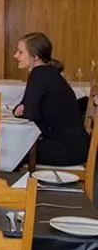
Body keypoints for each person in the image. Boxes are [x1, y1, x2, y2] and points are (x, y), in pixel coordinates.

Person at [13, 32, 89, 166]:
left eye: (20, 52)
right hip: (75, 146)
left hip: (65, 149)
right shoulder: (48, 71)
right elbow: (25, 105)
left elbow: (30, 113)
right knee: (16, 146)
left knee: (12, 149)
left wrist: (23, 110)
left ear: (35, 56)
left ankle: (2, 185)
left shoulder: (39, 74)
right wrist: (21, 109)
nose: (16, 56)